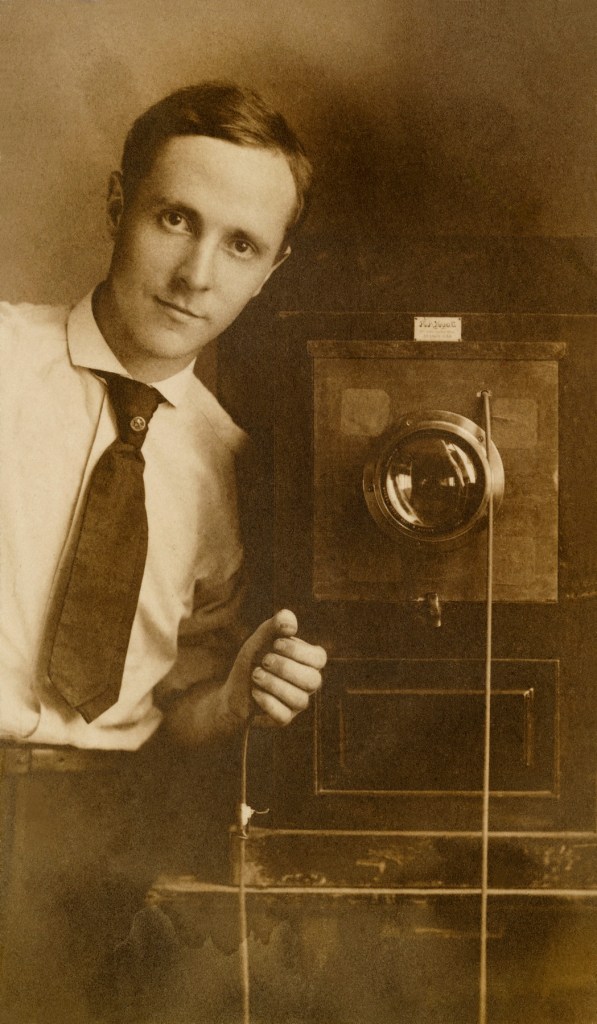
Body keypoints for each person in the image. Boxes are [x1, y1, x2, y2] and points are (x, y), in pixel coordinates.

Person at [0, 82, 326, 1023]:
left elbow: (173, 704)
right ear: (117, 204)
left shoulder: (229, 466)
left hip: (92, 850)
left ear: (271, 270)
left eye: (240, 245)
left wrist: (229, 701)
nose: (195, 275)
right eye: (174, 219)